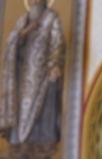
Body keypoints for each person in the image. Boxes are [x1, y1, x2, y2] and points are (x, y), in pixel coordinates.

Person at [0, 0, 64, 146]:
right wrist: (26, 31)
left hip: (43, 72)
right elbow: (12, 43)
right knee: (20, 106)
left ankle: (40, 143)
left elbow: (58, 42)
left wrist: (55, 64)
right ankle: (17, 142)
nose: (34, 1)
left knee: (42, 102)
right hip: (22, 72)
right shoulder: (23, 20)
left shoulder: (51, 18)